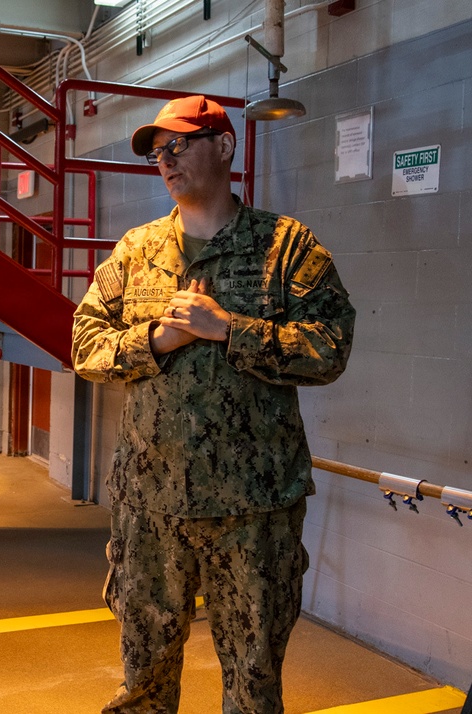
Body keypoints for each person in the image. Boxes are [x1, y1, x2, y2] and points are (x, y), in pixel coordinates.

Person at [72, 95, 355, 714]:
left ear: (224, 148)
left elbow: (330, 348)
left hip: (254, 509)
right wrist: (157, 340)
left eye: (178, 146)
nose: (165, 162)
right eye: (156, 153)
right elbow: (85, 345)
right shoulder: (136, 251)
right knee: (143, 678)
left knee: (254, 683)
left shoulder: (285, 248)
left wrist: (232, 329)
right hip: (152, 506)